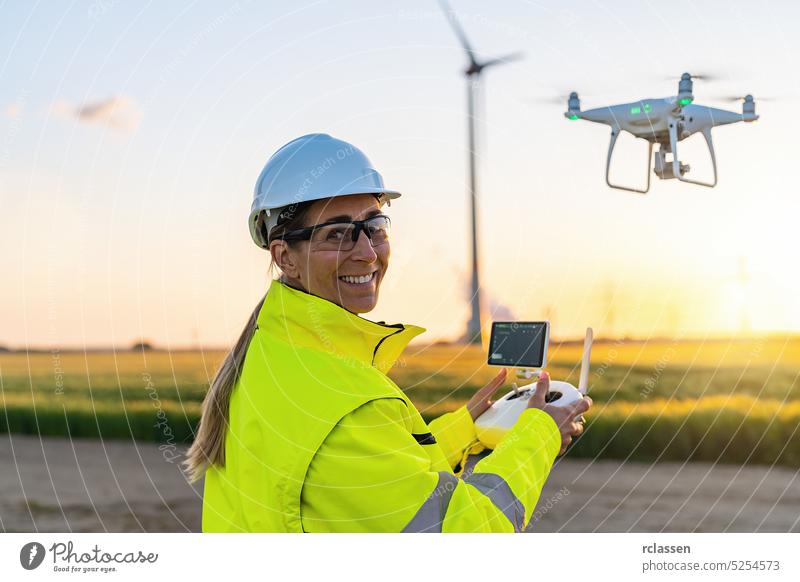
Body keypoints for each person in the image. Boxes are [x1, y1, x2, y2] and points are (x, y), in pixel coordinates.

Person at [184, 133, 591, 532]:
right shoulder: (344, 407)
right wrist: (540, 435)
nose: (367, 252)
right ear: (284, 256)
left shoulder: (270, 350)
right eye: (338, 233)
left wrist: (466, 429)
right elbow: (468, 531)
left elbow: (374, 475)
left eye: (374, 226)